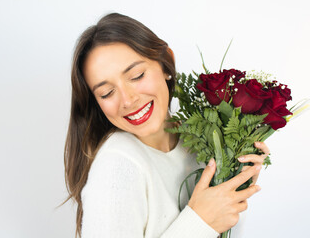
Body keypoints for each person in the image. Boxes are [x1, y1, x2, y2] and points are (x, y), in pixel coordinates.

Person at [64, 13, 270, 238]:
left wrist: (235, 182)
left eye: (137, 75)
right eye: (107, 93)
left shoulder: (200, 141)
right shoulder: (117, 165)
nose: (128, 100)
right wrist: (199, 222)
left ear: (165, 64)